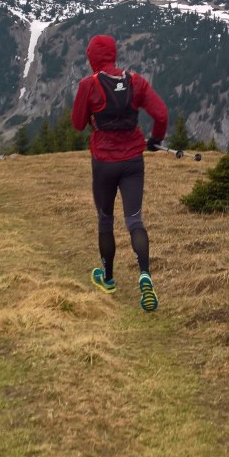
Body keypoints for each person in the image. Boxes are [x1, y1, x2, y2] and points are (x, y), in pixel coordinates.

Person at [71, 34, 168, 311]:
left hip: (103, 161)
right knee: (135, 220)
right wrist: (155, 140)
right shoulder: (136, 81)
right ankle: (145, 277)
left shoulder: (89, 84)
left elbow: (78, 124)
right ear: (113, 53)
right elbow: (161, 114)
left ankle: (109, 278)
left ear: (92, 57)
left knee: (105, 219)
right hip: (133, 161)